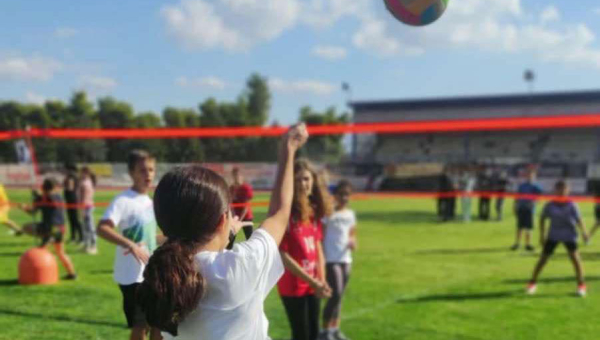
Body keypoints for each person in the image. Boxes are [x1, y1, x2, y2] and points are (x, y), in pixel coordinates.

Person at [136, 124, 309, 340]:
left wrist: (224, 234)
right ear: (222, 221)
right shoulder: (243, 264)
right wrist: (288, 148)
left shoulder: (162, 274)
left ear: (163, 225)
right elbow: (279, 214)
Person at [96, 150, 163, 340]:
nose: (148, 174)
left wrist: (174, 237)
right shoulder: (123, 200)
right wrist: (131, 245)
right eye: (142, 170)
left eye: (151, 170)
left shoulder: (149, 201)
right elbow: (102, 228)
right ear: (132, 173)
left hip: (150, 273)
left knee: (158, 323)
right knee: (140, 327)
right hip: (132, 277)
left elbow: (148, 239)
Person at [278, 158, 333, 340]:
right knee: (301, 334)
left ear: (313, 181)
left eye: (307, 179)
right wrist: (313, 281)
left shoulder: (313, 211)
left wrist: (322, 281)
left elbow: (318, 249)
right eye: (299, 179)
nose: (303, 184)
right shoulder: (286, 213)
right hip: (293, 286)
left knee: (314, 333)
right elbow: (283, 256)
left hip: (313, 284)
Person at [526, 180, 589, 297]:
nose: (561, 191)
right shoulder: (550, 205)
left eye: (564, 189)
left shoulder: (572, 205)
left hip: (569, 235)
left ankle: (581, 286)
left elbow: (579, 220)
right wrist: (542, 235)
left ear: (568, 191)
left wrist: (584, 233)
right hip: (553, 235)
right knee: (542, 260)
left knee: (576, 260)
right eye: (559, 189)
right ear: (555, 190)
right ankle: (532, 283)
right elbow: (542, 219)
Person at [320, 180, 357, 340]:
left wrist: (353, 241)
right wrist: (320, 258)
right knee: (336, 294)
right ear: (335, 196)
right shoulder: (328, 213)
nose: (344, 198)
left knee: (339, 296)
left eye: (347, 195)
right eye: (341, 194)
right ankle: (325, 330)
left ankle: (335, 329)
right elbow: (320, 236)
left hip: (345, 259)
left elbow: (352, 233)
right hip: (331, 258)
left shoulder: (350, 214)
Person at [19, 178, 77, 279]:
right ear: (55, 187)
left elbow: (32, 211)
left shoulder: (44, 198)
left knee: (26, 228)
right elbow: (44, 203)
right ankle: (72, 273)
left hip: (50, 229)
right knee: (60, 253)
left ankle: (41, 276)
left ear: (43, 187)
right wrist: (37, 197)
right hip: (61, 228)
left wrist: (25, 206)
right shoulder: (58, 197)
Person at [511, 168, 543, 251]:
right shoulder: (522, 186)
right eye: (528, 175)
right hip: (521, 208)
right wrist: (515, 205)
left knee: (529, 227)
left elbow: (540, 195)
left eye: (531, 175)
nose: (529, 177)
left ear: (534, 176)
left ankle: (528, 244)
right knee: (519, 227)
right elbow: (517, 196)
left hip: (529, 209)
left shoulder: (536, 186)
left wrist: (535, 202)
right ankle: (517, 243)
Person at [226, 167, 254, 249]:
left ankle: (252, 254)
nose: (236, 177)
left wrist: (240, 219)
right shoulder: (231, 188)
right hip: (235, 217)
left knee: (249, 238)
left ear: (241, 176)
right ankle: (227, 254)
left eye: (237, 175)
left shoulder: (246, 188)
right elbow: (230, 204)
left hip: (246, 217)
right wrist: (234, 217)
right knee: (230, 238)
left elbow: (246, 206)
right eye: (234, 175)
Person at [64, 163, 83, 244]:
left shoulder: (71, 177)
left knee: (74, 219)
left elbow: (70, 188)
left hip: (72, 199)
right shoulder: (73, 176)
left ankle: (80, 237)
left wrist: (65, 186)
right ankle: (74, 237)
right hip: (71, 199)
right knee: (72, 219)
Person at [79, 166, 97, 254]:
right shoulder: (87, 182)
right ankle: (87, 245)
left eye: (82, 172)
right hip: (87, 205)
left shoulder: (86, 183)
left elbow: (84, 197)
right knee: (86, 227)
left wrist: (82, 209)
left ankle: (93, 245)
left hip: (86, 206)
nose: (80, 174)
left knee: (89, 227)